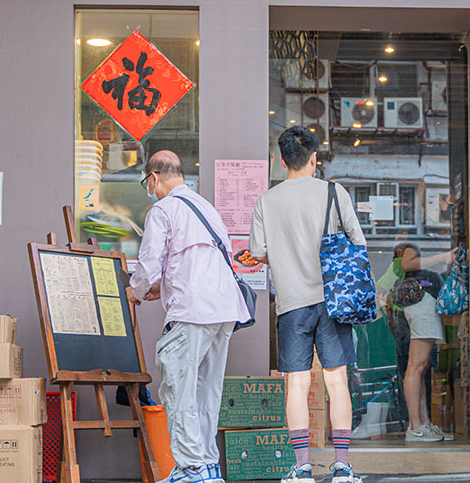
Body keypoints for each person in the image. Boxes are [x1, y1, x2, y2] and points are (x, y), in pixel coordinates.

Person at [249, 127, 366, 483]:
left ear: (282, 161)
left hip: (292, 303)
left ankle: (301, 467)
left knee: (297, 385)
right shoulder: (334, 192)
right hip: (333, 300)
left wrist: (285, 257)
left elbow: (257, 253)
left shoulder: (266, 201)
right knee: (337, 382)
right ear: (314, 158)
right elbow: (357, 243)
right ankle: (342, 466)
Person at [128, 150, 250, 483]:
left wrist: (135, 292)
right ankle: (209, 468)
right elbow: (197, 261)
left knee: (179, 389)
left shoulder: (163, 209)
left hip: (192, 311)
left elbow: (149, 264)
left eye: (147, 183)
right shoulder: (207, 208)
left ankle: (190, 470)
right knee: (206, 393)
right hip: (224, 311)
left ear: (153, 178)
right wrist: (160, 288)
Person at [391, 242, 451, 442]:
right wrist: (443, 256)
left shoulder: (419, 254)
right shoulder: (413, 248)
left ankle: (423, 423)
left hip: (424, 304)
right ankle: (415, 425)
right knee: (416, 366)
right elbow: (408, 264)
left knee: (421, 367)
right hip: (422, 305)